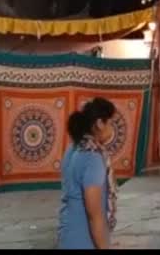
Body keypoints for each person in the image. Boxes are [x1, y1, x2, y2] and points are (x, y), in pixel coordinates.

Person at [58, 98, 118, 250]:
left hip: (68, 235)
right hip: (83, 240)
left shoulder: (73, 148)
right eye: (110, 123)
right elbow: (94, 215)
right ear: (99, 123)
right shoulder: (92, 158)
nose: (112, 129)